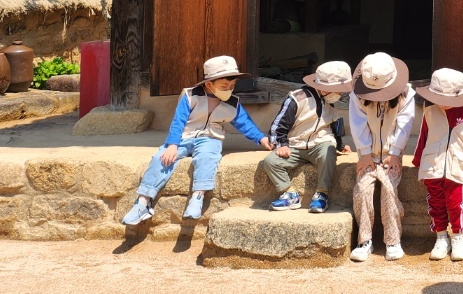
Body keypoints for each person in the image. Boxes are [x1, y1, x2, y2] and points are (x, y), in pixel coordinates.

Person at [122, 55, 271, 225]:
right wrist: (172, 145)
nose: (229, 89)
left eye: (232, 86)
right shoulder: (190, 95)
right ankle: (142, 202)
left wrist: (261, 139)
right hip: (185, 137)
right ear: (209, 84)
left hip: (210, 138)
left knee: (208, 157)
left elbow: (245, 124)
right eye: (224, 86)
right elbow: (178, 122)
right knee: (160, 158)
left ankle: (197, 197)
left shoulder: (233, 103)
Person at [347, 52, 415, 262]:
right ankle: (364, 240)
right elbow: (358, 125)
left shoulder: (407, 93)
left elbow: (404, 126)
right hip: (366, 153)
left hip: (391, 154)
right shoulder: (356, 95)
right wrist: (365, 153)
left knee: (388, 189)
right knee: (362, 189)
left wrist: (395, 153)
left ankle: (393, 240)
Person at [264, 60, 352, 214]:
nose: (340, 94)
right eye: (338, 90)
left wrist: (340, 145)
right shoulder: (298, 98)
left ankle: (322, 194)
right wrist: (281, 144)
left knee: (328, 151)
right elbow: (278, 126)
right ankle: (289, 193)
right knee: (270, 162)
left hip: (319, 144)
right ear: (325, 88)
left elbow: (334, 127)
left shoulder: (330, 102)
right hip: (295, 145)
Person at [412, 68, 463, 262]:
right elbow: (423, 137)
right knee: (436, 202)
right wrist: (418, 160)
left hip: (456, 165)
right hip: (432, 163)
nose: (442, 102)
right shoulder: (430, 110)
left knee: (455, 202)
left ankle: (458, 236)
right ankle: (441, 236)